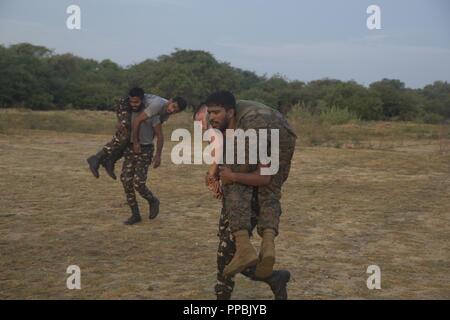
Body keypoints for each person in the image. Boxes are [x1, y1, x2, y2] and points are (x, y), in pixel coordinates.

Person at [194, 104, 291, 300]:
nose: (204, 128)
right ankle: (272, 276)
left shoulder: (231, 124)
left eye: (201, 122)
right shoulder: (247, 122)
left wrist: (216, 174)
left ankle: (224, 296)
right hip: (260, 184)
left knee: (228, 248)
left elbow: (228, 157)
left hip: (248, 195)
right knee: (230, 246)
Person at [86, 88, 187, 180]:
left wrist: (152, 150)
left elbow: (155, 131)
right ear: (170, 101)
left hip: (136, 108)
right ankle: (96, 158)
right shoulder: (158, 105)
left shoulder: (167, 112)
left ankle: (110, 161)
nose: (172, 110)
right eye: (173, 106)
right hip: (127, 104)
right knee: (125, 135)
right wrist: (136, 143)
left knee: (130, 138)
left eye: (176, 111)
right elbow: (137, 121)